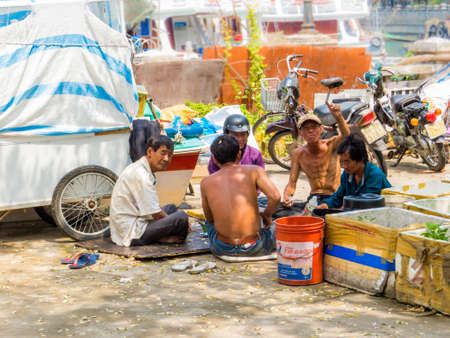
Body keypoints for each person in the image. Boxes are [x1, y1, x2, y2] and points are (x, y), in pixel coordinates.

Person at [201, 135, 281, 257]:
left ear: (214, 159)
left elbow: (209, 218)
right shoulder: (255, 171)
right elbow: (275, 197)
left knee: (208, 222)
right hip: (253, 246)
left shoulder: (205, 182)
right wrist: (267, 215)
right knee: (277, 225)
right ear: (239, 154)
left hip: (222, 248)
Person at [110, 135, 189, 247]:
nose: (166, 159)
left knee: (171, 207)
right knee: (182, 218)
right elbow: (155, 213)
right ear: (150, 151)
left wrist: (169, 221)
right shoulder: (141, 174)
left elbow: (152, 208)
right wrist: (174, 224)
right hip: (132, 233)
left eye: (170, 155)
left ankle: (163, 236)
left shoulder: (141, 169)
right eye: (163, 153)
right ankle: (163, 238)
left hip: (137, 222)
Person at [282, 102, 350, 209]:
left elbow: (346, 135)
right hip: (315, 197)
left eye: (314, 127)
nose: (310, 131)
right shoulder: (298, 153)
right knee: (281, 211)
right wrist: (287, 197)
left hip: (335, 197)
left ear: (321, 129)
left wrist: (339, 116)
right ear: (301, 133)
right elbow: (291, 183)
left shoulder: (331, 145)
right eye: (306, 128)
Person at [317, 134, 392, 209]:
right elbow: (338, 197)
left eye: (347, 161)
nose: (343, 166)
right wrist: (325, 205)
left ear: (361, 159)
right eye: (341, 162)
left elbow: (367, 205)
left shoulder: (374, 175)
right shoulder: (347, 174)